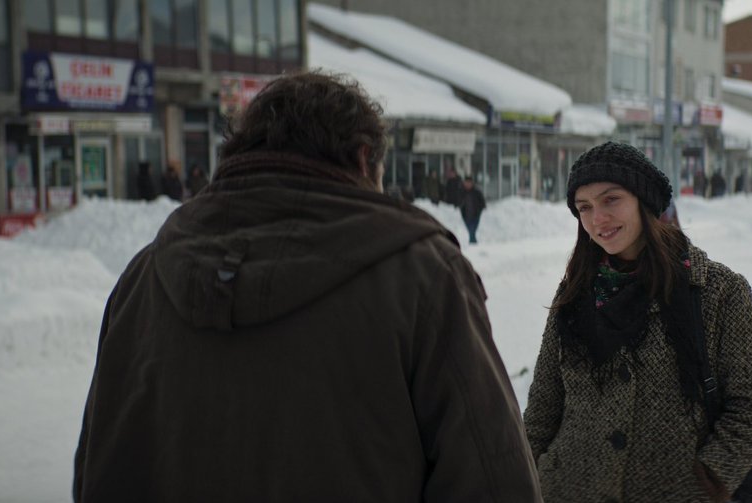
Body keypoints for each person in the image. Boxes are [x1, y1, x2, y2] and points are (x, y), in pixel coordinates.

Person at [73, 71, 541, 502]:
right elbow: (496, 483)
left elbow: (95, 467)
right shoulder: (423, 277)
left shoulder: (141, 280)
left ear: (239, 154)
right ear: (364, 160)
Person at [523, 142, 752, 502]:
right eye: (585, 208)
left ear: (643, 201)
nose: (598, 219)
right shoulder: (575, 294)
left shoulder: (718, 292)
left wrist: (711, 478)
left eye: (611, 200)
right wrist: (531, 475)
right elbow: (543, 409)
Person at [458, 176, 486, 244]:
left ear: (472, 183)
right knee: (471, 231)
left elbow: (482, 202)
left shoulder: (477, 192)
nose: (467, 184)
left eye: (469, 183)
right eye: (466, 183)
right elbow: (458, 202)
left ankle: (472, 244)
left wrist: (480, 209)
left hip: (475, 215)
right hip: (466, 215)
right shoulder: (462, 192)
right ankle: (473, 244)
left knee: (472, 231)